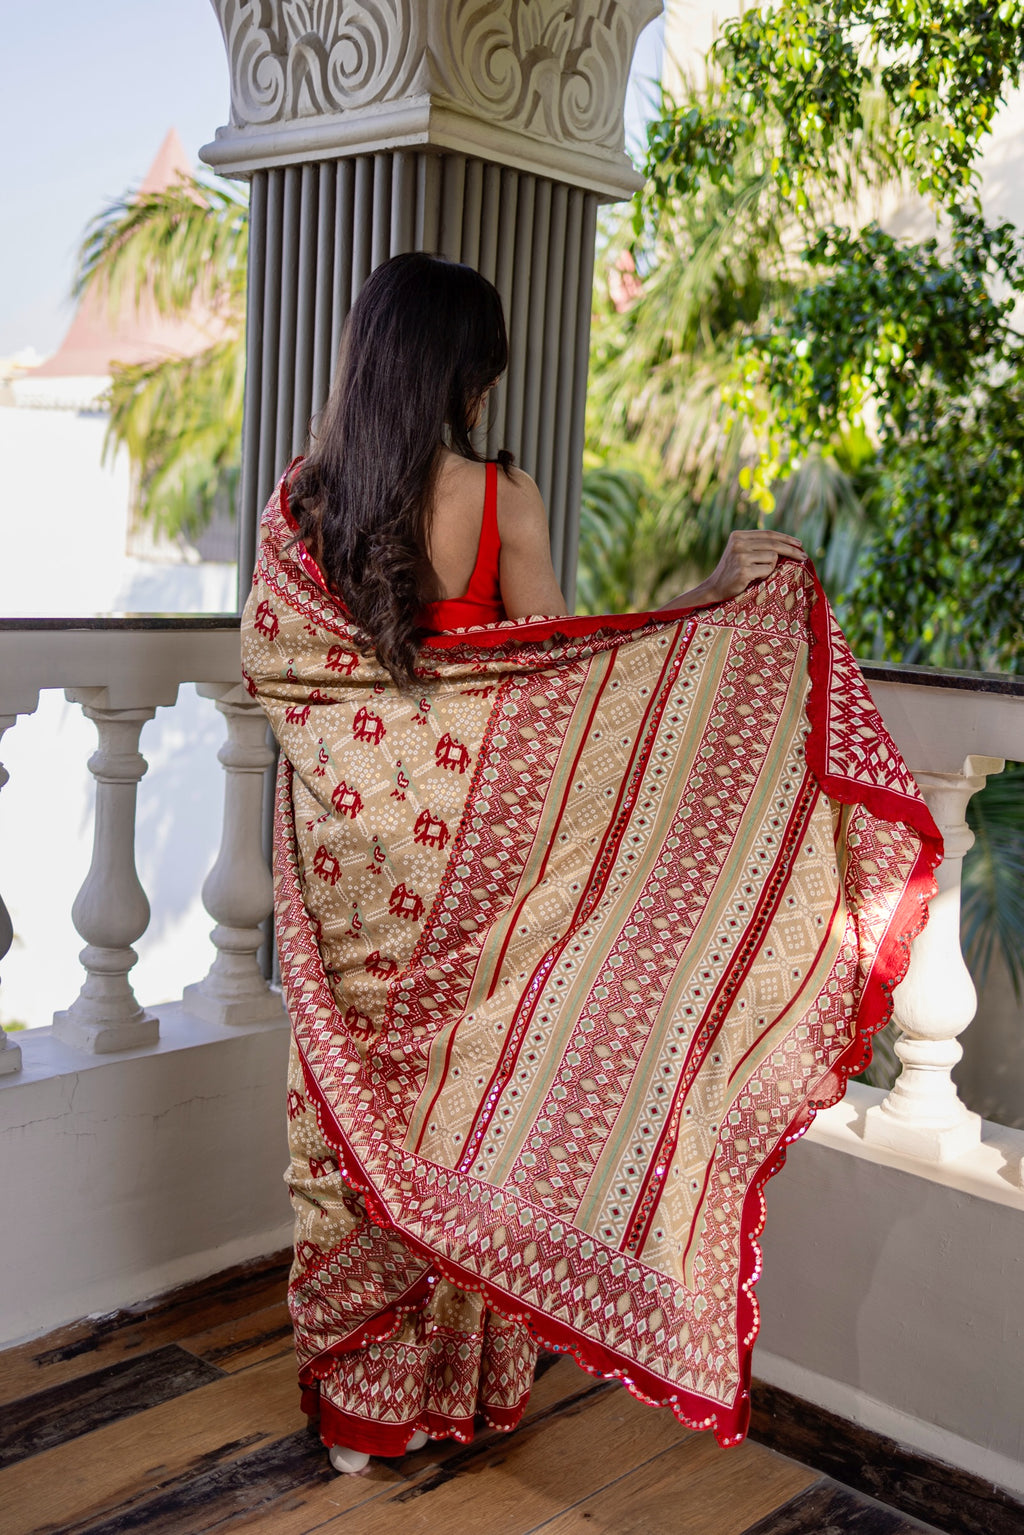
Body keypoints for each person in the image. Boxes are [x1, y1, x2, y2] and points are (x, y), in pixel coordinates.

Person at [242, 252, 940, 1474]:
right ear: (462, 372)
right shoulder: (500, 495)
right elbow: (563, 675)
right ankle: (449, 1395)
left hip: (345, 864)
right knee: (463, 1109)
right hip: (460, 878)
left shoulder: (301, 504)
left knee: (344, 1122)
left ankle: (364, 1409)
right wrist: (715, 603)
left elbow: (286, 676)